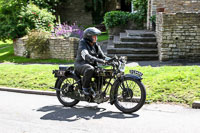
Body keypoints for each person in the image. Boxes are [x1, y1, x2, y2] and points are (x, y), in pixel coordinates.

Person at [74, 27, 110, 96]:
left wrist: (112, 60)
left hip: (92, 65)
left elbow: (103, 56)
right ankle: (85, 88)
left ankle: (97, 91)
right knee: (90, 69)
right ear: (89, 37)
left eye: (96, 36)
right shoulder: (83, 43)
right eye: (94, 36)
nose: (96, 38)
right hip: (81, 64)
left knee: (102, 73)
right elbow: (87, 56)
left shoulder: (95, 44)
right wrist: (100, 61)